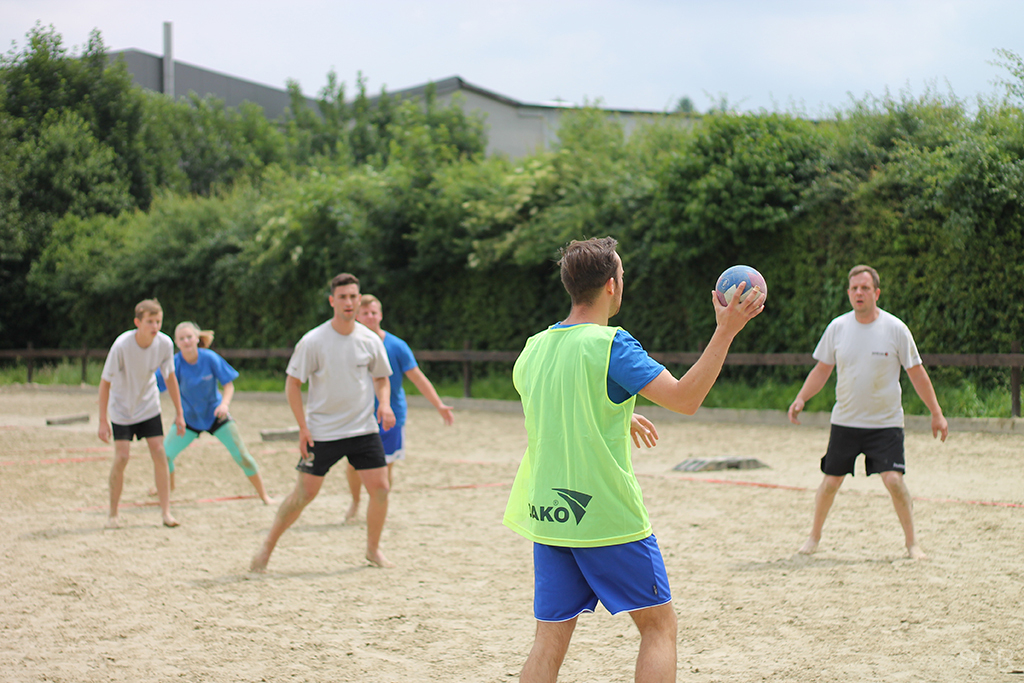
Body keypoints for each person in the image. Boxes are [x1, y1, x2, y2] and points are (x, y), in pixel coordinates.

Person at [503, 237, 764, 683]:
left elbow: (559, 409)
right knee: (658, 627)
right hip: (604, 516)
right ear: (611, 285)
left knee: (548, 641)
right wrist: (726, 330)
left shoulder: (534, 348)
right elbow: (685, 399)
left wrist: (618, 413)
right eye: (622, 275)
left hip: (549, 516)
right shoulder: (611, 345)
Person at [788, 265, 948, 561]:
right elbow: (822, 370)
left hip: (885, 424)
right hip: (846, 422)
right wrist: (801, 398)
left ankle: (912, 543)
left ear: (877, 292)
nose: (858, 293)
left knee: (894, 481)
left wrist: (936, 413)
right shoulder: (837, 328)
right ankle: (814, 537)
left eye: (864, 288)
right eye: (854, 288)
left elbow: (917, 373)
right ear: (848, 293)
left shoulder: (895, 329)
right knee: (830, 482)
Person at [251, 273, 397, 571]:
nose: (348, 302)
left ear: (359, 300)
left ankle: (373, 550)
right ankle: (267, 548)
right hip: (323, 432)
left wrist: (384, 404)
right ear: (332, 301)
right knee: (303, 494)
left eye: (353, 296)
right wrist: (303, 428)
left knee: (381, 489)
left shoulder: (369, 340)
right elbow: (293, 384)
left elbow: (382, 377)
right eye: (342, 297)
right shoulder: (313, 341)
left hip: (363, 429)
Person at [344, 294, 455, 522]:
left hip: (390, 415)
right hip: (359, 415)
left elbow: (417, 377)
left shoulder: (396, 346)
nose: (370, 316)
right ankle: (355, 501)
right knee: (353, 465)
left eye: (374, 312)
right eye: (365, 313)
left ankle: (378, 504)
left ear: (381, 315)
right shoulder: (349, 344)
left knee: (385, 466)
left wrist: (438, 404)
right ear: (357, 316)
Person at [154, 321, 274, 504]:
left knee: (242, 456)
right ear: (176, 343)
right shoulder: (174, 363)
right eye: (181, 338)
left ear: (197, 338)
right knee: (165, 455)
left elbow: (229, 385)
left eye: (189, 337)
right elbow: (154, 385)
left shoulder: (210, 358)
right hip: (189, 419)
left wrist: (224, 404)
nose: (186, 341)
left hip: (217, 416)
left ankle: (264, 495)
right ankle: (168, 490)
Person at [98, 298, 186, 529]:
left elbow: (170, 378)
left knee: (160, 453)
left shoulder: (165, 343)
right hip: (122, 408)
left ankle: (166, 512)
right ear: (137, 322)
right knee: (122, 457)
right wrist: (102, 421)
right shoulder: (121, 345)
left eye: (158, 321)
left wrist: (179, 413)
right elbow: (105, 383)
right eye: (150, 321)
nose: (155, 326)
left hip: (148, 405)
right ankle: (113, 514)